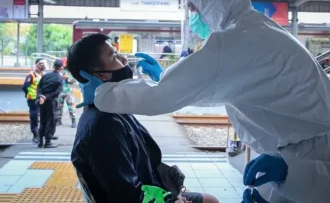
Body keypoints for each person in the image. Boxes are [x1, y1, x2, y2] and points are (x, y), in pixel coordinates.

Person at [80, 0, 330, 203]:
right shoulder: (257, 29)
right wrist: (164, 78)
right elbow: (211, 88)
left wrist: (104, 94)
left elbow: (162, 97)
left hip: (311, 159)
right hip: (306, 154)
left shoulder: (235, 41)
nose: (193, 17)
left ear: (211, 3)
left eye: (194, 9)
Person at [67, 33, 218, 203]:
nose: (123, 59)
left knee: (209, 200)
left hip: (151, 190)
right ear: (99, 75)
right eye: (114, 56)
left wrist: (170, 194)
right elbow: (127, 196)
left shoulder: (112, 108)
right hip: (142, 196)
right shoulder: (104, 125)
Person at [37, 59, 64, 148]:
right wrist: (46, 97)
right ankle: (48, 141)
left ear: (53, 66)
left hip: (42, 101)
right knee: (51, 120)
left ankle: (40, 141)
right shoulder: (59, 78)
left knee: (43, 120)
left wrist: (41, 96)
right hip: (51, 101)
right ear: (61, 67)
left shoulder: (46, 76)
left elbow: (39, 87)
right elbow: (57, 92)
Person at [22, 58, 46, 143]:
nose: (43, 65)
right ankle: (35, 135)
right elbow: (25, 86)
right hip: (33, 99)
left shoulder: (43, 74)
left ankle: (43, 134)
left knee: (43, 116)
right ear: (36, 65)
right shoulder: (31, 75)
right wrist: (28, 94)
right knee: (34, 117)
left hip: (41, 98)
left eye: (43, 63)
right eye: (41, 63)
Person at [57, 58, 77, 128]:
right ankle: (58, 120)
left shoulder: (71, 71)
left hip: (69, 91)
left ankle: (73, 120)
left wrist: (67, 78)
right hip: (60, 91)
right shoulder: (59, 71)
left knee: (71, 106)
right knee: (59, 106)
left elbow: (74, 80)